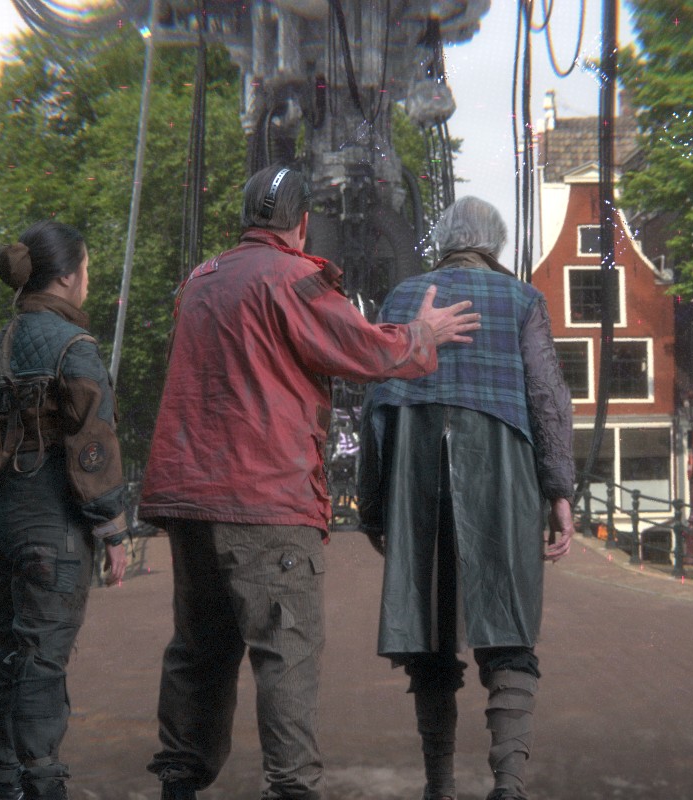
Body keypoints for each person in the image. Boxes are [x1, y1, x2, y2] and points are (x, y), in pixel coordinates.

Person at [139, 164, 483, 800]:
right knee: (286, 652)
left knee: (198, 650)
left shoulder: (200, 280)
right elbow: (360, 349)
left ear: (247, 217)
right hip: (266, 499)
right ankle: (293, 788)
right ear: (302, 224)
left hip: (188, 498)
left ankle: (179, 783)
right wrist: (423, 335)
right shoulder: (292, 278)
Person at [357, 197, 575, 800]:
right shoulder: (523, 300)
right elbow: (547, 399)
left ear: (444, 241)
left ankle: (439, 786)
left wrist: (373, 505)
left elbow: (376, 404)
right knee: (509, 622)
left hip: (415, 474)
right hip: (503, 471)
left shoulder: (403, 298)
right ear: (494, 244)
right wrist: (559, 490)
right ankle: (509, 784)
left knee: (430, 628)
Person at [0, 220, 131, 800]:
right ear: (64, 277)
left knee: (6, 650)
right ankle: (41, 784)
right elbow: (92, 445)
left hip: (1, 518)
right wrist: (114, 530)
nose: (88, 280)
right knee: (42, 660)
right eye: (85, 269)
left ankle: (3, 781)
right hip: (51, 523)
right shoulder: (74, 348)